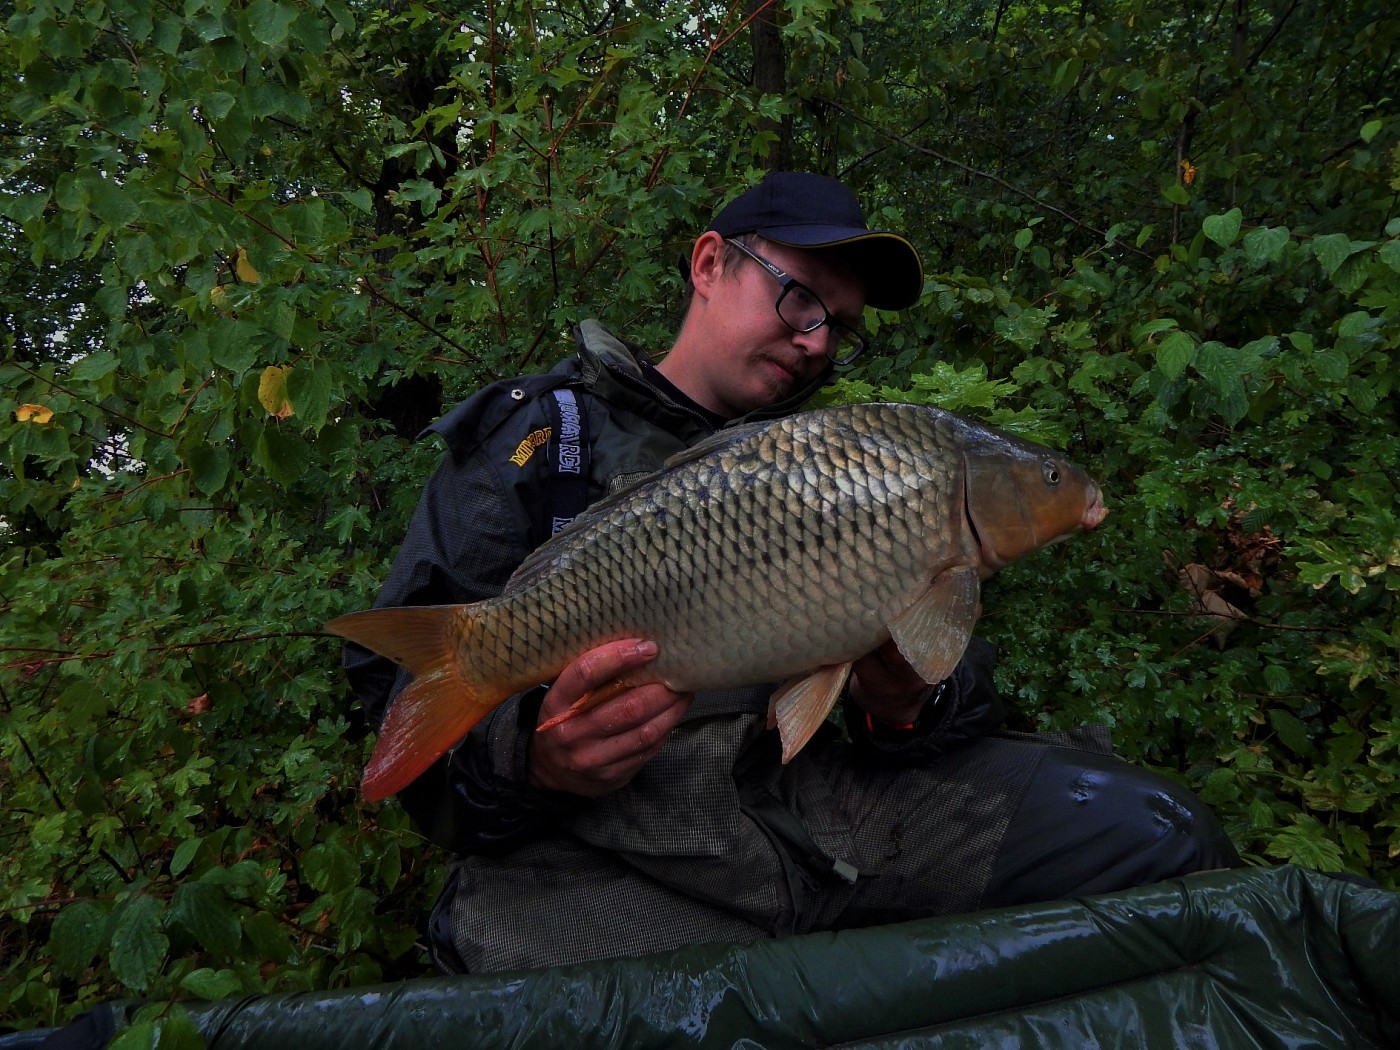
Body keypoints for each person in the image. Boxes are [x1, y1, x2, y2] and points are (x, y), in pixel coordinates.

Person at [344, 171, 1239, 974]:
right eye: (800, 297)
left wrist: (907, 704)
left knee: (1157, 836)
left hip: (821, 826)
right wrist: (535, 759)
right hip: (603, 865)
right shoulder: (545, 440)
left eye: (839, 327)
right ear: (709, 264)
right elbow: (393, 714)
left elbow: (945, 683)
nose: (816, 342)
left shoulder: (848, 457)